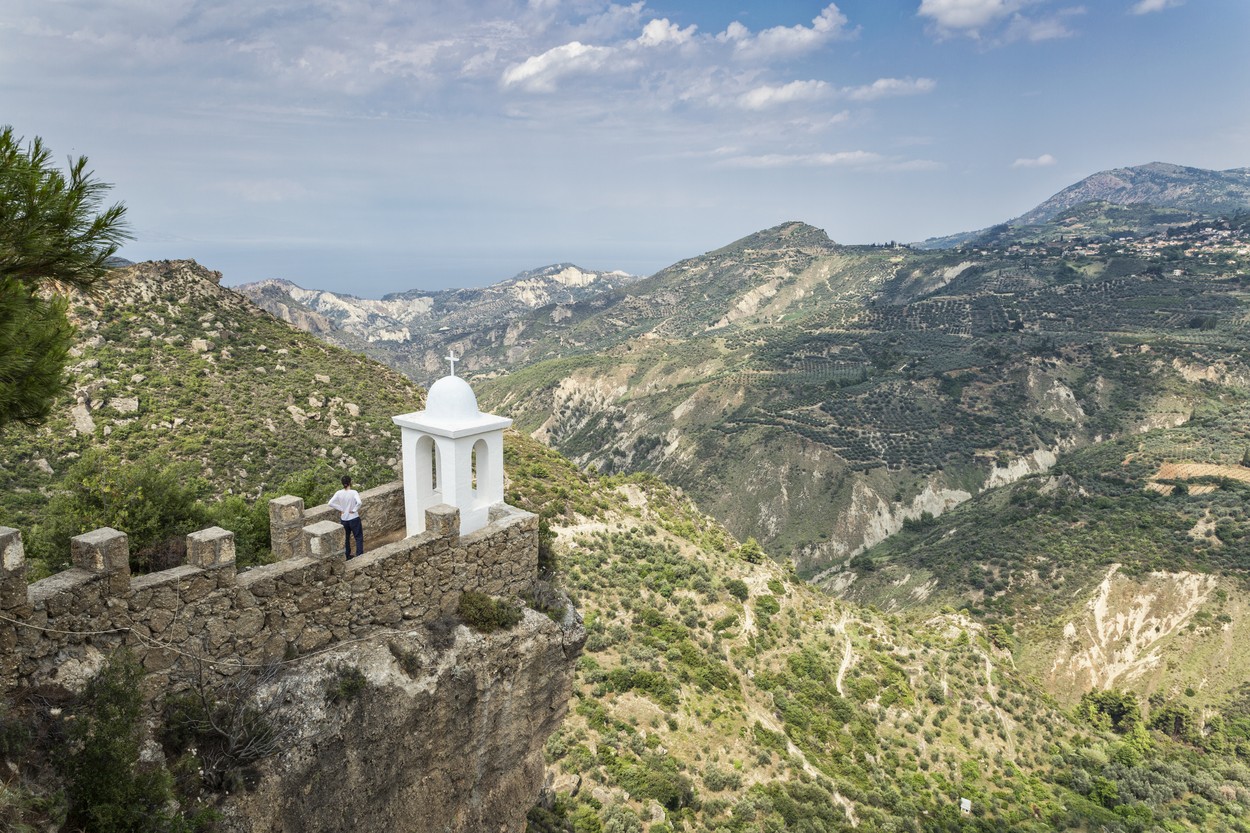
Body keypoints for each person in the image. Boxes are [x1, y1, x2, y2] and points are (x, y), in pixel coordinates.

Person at [328, 475, 363, 559]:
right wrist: (354, 510)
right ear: (350, 482)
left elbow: (330, 503)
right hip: (354, 518)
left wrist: (341, 509)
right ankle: (359, 555)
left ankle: (347, 555)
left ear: (342, 483)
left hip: (344, 519)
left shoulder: (338, 493)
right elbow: (359, 503)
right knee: (358, 537)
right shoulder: (354, 492)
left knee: (346, 538)